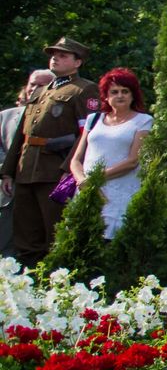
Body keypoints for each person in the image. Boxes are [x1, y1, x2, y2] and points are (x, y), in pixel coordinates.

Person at [1, 39, 99, 266]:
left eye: (64, 55)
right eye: (54, 54)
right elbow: (21, 134)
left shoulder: (84, 90)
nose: (55, 57)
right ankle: (29, 282)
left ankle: (53, 282)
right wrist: (8, 172)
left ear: (78, 62)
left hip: (55, 172)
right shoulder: (43, 90)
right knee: (25, 233)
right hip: (26, 170)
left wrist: (69, 169)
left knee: (54, 233)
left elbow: (87, 134)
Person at [68, 69, 154, 238]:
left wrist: (95, 179)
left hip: (119, 191)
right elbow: (76, 159)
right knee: (80, 238)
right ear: (106, 96)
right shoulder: (93, 119)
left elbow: (132, 161)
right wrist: (82, 180)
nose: (120, 96)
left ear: (133, 95)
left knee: (110, 240)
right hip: (86, 190)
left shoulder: (143, 121)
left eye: (125, 91)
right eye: (114, 92)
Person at [1, 71, 53, 257]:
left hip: (40, 182)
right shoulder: (5, 116)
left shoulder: (56, 117)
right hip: (7, 188)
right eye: (32, 84)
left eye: (41, 85)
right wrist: (6, 173)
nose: (34, 89)